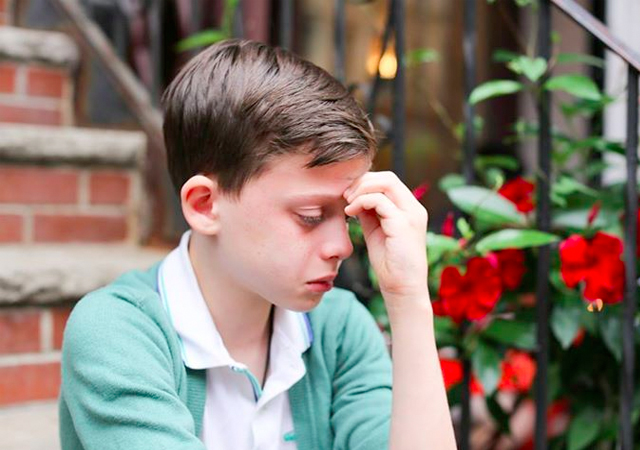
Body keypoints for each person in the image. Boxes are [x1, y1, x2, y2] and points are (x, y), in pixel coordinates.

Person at [58, 39, 456, 450]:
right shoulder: (116, 332)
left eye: (349, 216)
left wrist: (408, 299)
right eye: (311, 215)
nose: (342, 245)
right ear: (205, 205)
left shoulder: (339, 328)